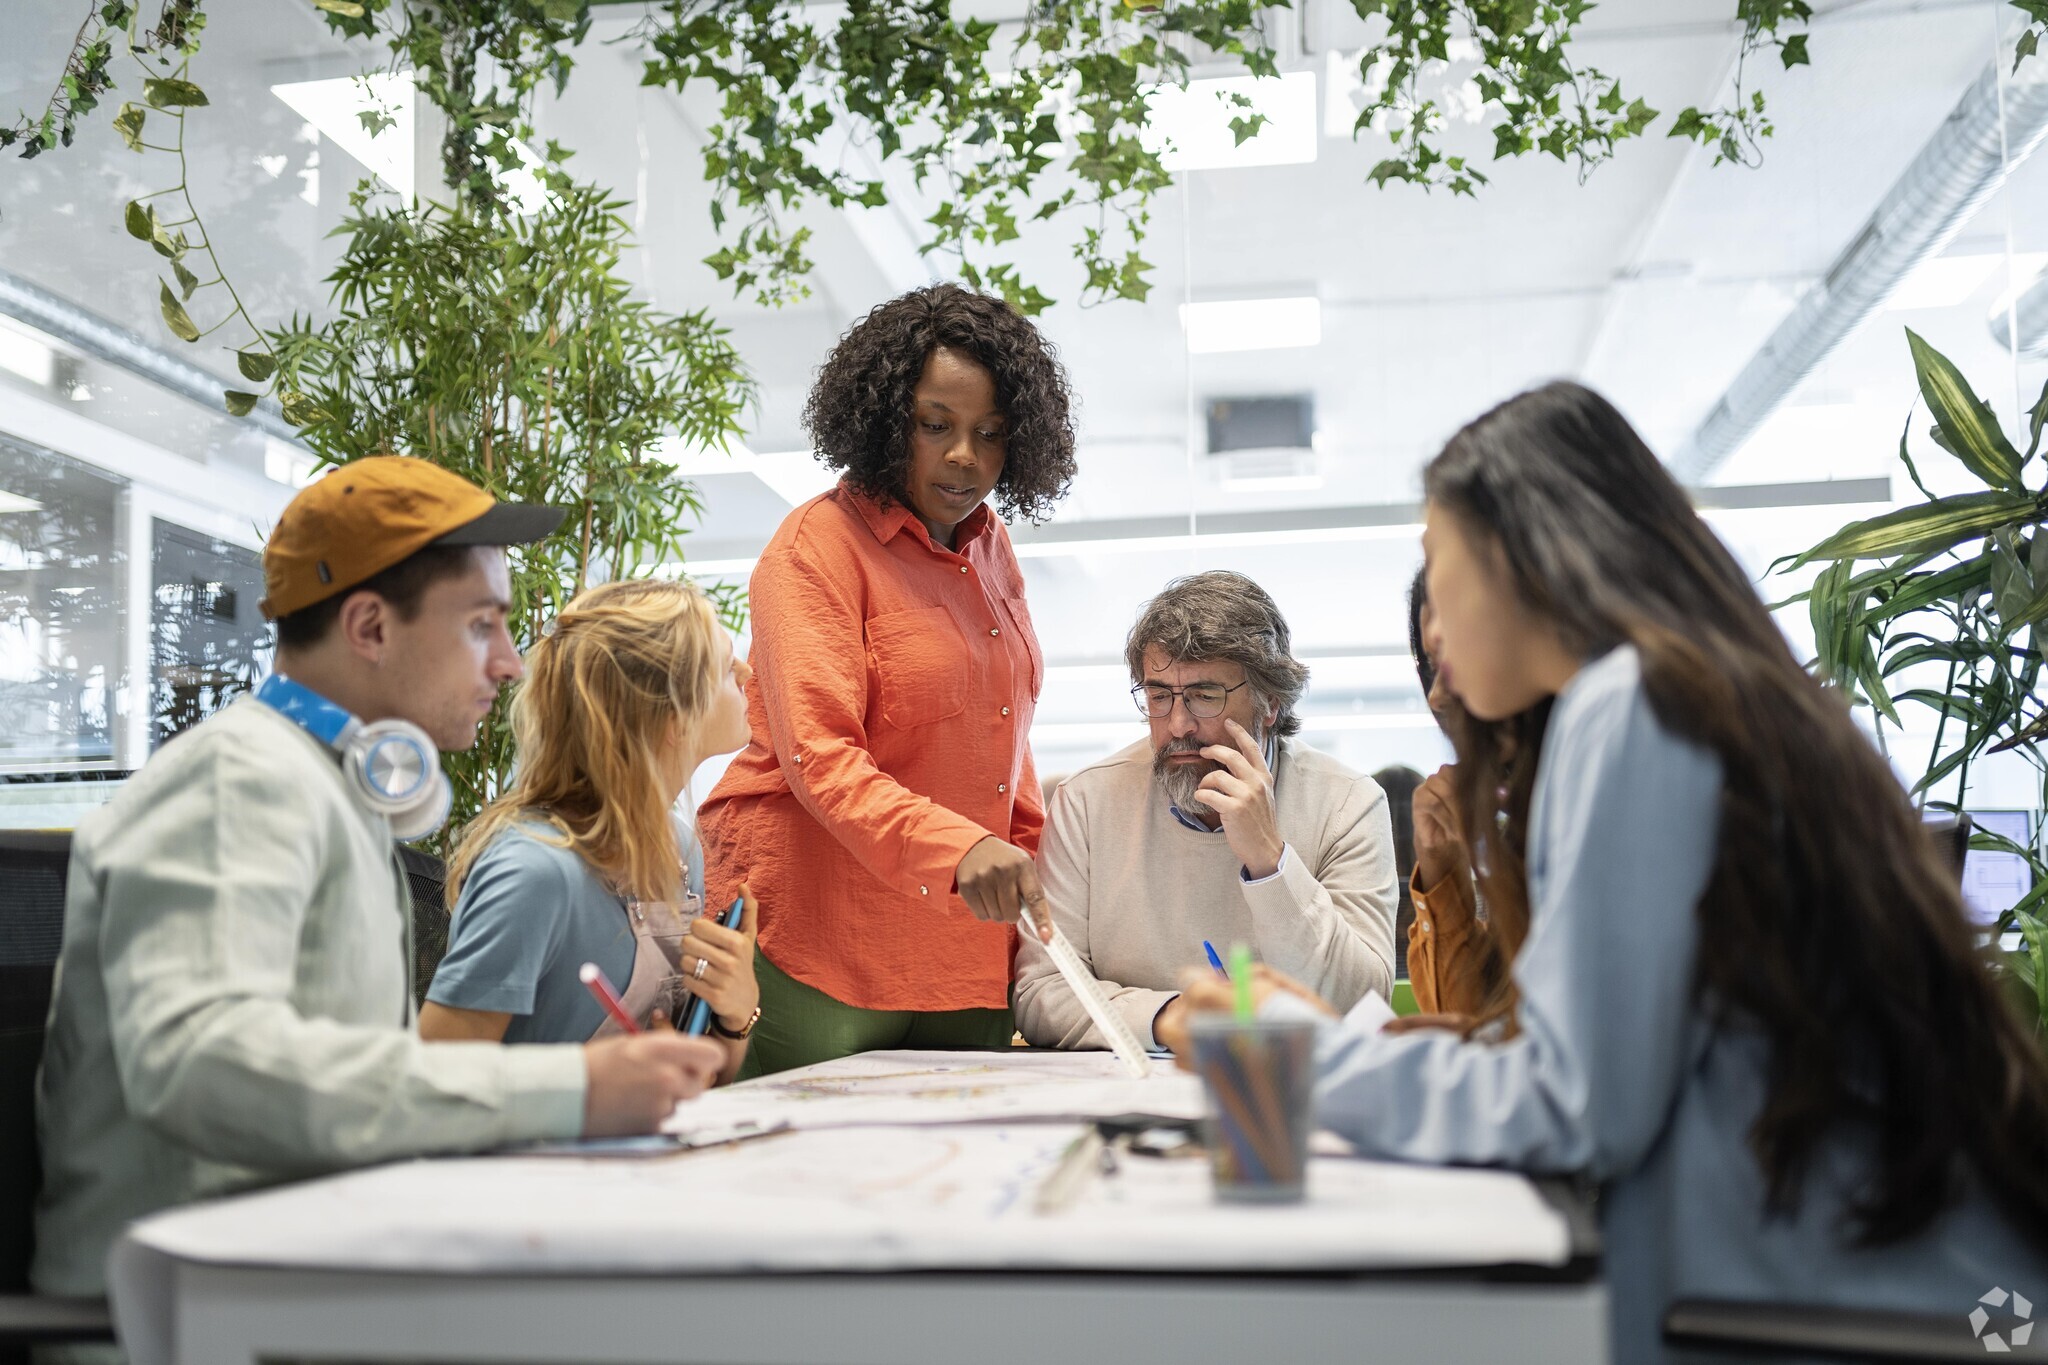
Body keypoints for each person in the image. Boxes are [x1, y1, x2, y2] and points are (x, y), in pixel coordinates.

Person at [1164, 382, 2048, 1362]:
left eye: (1435, 564)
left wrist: (1296, 1053)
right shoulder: (1691, 688)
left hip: (1819, 1309)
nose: (1439, 649)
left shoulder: (1629, 704)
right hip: (1905, 1288)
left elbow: (1573, 1107)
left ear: (1516, 553)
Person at [33, 458, 725, 1299]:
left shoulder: (331, 790)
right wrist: (569, 1087)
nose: (510, 663)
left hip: (297, 1273)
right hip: (185, 1315)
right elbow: (204, 1066)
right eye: (481, 626)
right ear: (368, 627)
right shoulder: (239, 785)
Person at [698, 283, 1076, 1076]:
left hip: (960, 944)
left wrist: (1036, 861)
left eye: (991, 433)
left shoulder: (990, 548)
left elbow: (1004, 730)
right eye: (935, 426)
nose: (965, 456)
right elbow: (819, 758)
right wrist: (962, 846)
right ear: (882, 420)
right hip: (820, 933)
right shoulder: (815, 547)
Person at [1013, 571, 1397, 1051]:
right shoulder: (1087, 803)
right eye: (1158, 696)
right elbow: (1041, 994)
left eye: (1204, 696)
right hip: (1131, 1091)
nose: (1178, 725)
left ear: (1270, 702)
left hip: (1289, 1093)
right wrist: (1178, 1016)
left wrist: (1269, 860)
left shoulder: (1348, 804)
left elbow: (1360, 1005)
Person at [420, 578, 761, 1084]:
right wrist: (592, 1086)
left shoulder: (680, 847)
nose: (747, 672)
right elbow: (431, 1084)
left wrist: (736, 1014)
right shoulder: (534, 872)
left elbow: (705, 1077)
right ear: (670, 714)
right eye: (724, 666)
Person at [1397, 567, 1544, 1036]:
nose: (1437, 697)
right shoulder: (1525, 816)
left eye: (1453, 656)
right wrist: (1443, 870)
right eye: (1429, 665)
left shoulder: (1594, 804)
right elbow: (1471, 1017)